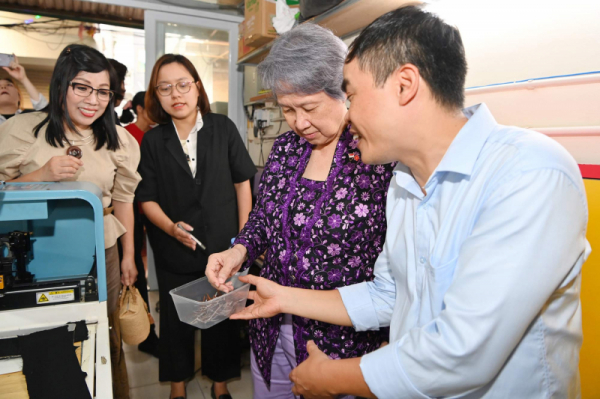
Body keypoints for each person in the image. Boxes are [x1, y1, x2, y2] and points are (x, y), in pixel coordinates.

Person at [219, 6, 590, 399]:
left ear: (404, 85)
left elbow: (461, 352)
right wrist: (284, 297)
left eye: (353, 95)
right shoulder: (406, 182)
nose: (349, 113)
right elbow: (389, 295)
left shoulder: (529, 173)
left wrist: (333, 378)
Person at [206, 24, 395, 399]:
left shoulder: (376, 156)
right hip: (272, 325)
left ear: (344, 91)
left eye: (309, 107)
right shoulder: (287, 149)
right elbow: (264, 217)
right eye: (287, 110)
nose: (299, 123)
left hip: (341, 341)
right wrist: (238, 250)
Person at [0, 44, 140, 399]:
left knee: (104, 336)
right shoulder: (22, 129)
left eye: (103, 91)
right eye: (82, 87)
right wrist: (41, 174)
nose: (93, 100)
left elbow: (124, 200)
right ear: (62, 86)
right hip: (33, 257)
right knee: (46, 338)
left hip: (100, 252)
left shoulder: (119, 140)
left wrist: (128, 257)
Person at [135, 54, 256, 399]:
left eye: (183, 84)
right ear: (156, 96)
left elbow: (242, 184)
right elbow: (147, 198)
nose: (176, 94)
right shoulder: (154, 141)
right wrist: (171, 228)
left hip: (222, 246)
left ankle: (220, 386)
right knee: (175, 322)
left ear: (197, 87)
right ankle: (177, 388)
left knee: (220, 318)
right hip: (175, 247)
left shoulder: (223, 128)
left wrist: (243, 240)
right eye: (165, 87)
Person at [122, 90, 160, 357]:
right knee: (134, 271)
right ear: (138, 108)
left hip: (154, 213)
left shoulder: (158, 136)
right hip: (130, 214)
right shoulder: (126, 135)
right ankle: (144, 332)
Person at [0, 55, 48, 125]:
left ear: (19, 96)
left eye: (9, 85)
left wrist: (23, 79)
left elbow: (45, 110)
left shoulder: (32, 116)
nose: (3, 87)